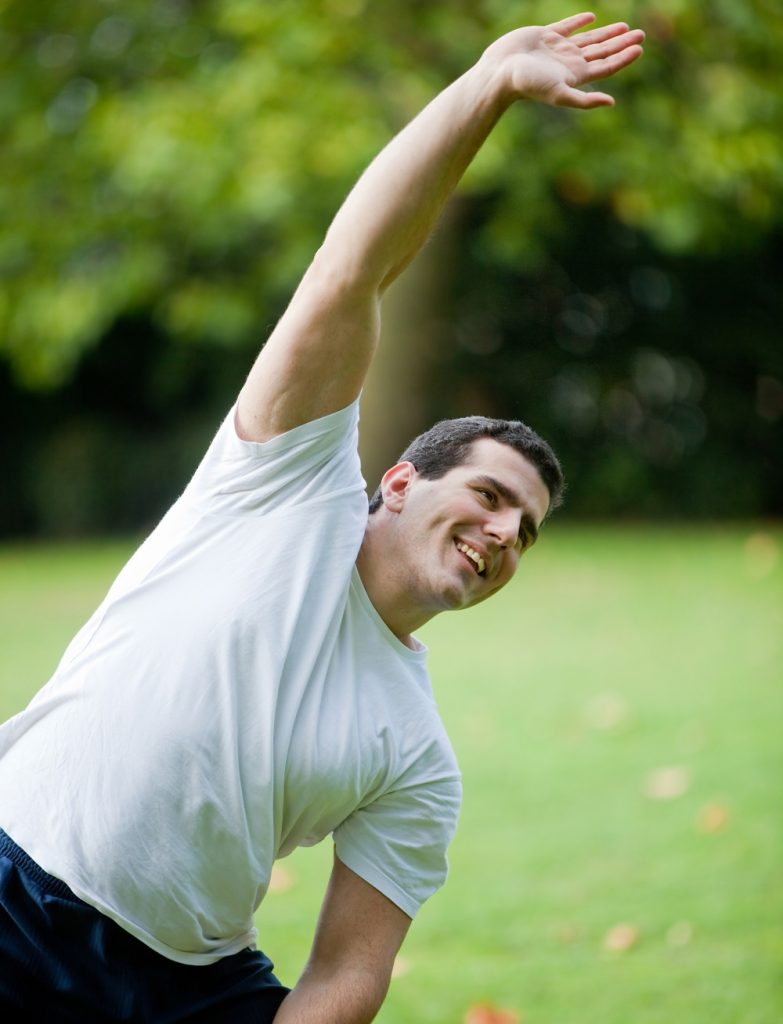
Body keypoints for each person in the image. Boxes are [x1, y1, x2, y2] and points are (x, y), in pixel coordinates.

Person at [0, 12, 643, 1023]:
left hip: (178, 987)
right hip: (13, 885)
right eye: (489, 496)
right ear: (399, 481)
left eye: (525, 530)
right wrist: (486, 86)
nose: (504, 533)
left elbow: (347, 973)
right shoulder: (280, 488)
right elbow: (352, 267)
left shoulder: (417, 758)